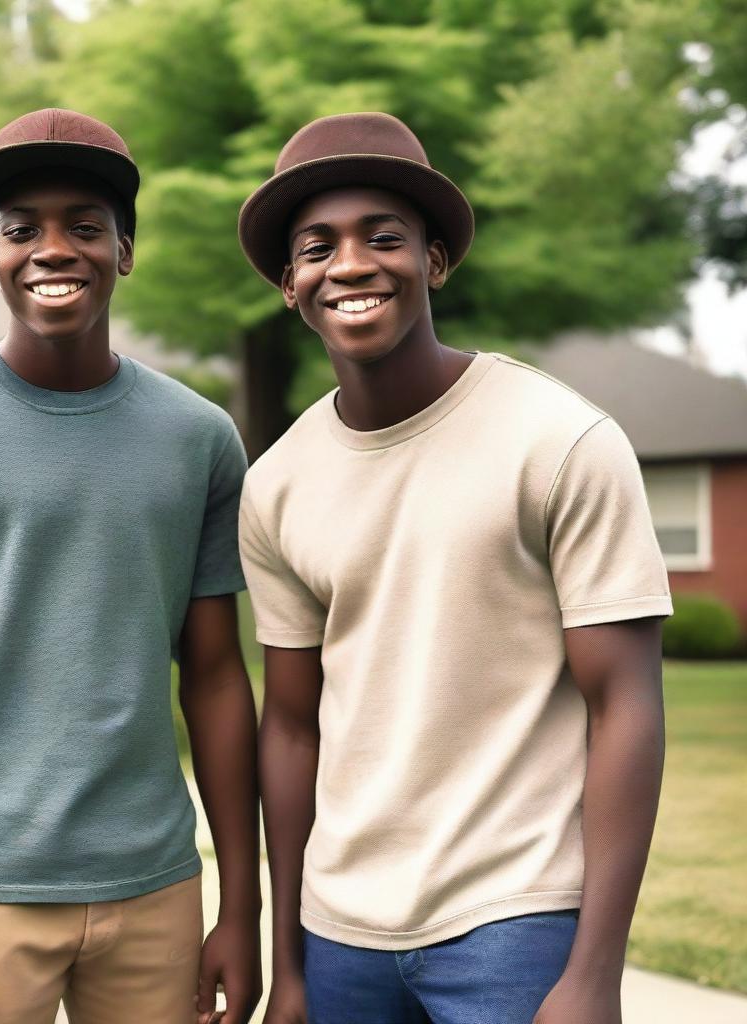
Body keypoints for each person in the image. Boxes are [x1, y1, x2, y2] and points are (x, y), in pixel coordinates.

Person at [236, 111, 671, 1024]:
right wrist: (292, 966)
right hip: (339, 928)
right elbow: (290, 726)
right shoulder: (275, 483)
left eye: (383, 237)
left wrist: (594, 977)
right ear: (290, 284)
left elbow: (625, 703)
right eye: (318, 247)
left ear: (434, 261)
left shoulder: (560, 441)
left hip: (514, 921)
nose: (350, 264)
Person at [0, 108, 261, 1024]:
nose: (53, 248)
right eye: (20, 228)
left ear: (125, 249)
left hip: (156, 885)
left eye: (85, 224)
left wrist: (243, 906)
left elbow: (219, 678)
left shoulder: (199, 439)